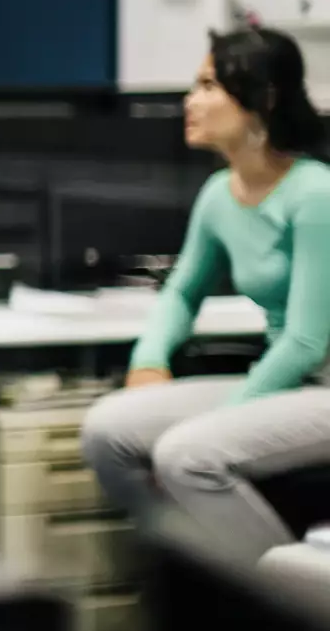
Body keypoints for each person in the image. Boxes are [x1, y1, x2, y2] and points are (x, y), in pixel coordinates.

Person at [80, 28, 330, 562]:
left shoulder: (316, 195)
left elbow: (307, 340)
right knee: (108, 431)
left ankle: (287, 610)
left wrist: (225, 415)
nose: (189, 101)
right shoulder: (220, 194)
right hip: (296, 384)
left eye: (207, 84)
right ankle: (197, 579)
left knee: (188, 453)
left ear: (262, 99)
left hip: (320, 383)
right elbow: (182, 293)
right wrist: (149, 361)